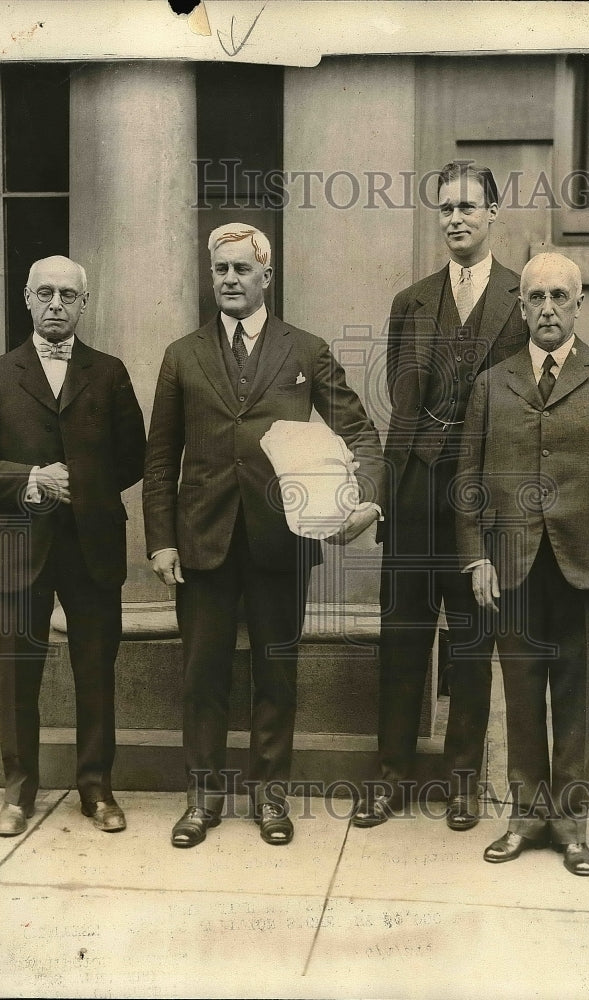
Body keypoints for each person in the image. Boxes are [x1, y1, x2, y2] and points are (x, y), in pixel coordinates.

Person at [143, 223, 385, 848]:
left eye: (240, 270)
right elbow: (160, 459)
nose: (228, 280)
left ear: (266, 277)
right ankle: (203, 799)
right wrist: (161, 540)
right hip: (203, 540)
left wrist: (368, 498)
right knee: (204, 675)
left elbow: (360, 434)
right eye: (219, 269)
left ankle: (270, 796)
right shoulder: (183, 355)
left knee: (276, 674)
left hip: (283, 540)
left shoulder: (304, 350)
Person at [455, 252, 589, 875]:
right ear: (521, 307)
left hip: (586, 561)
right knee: (520, 696)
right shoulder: (492, 383)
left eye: (559, 297)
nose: (547, 308)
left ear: (579, 303)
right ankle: (524, 817)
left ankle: (570, 825)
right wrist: (475, 558)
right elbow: (468, 479)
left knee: (576, 696)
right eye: (535, 297)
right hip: (512, 563)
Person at [353, 161, 528, 830]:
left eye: (467, 206)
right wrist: (385, 495)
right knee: (400, 639)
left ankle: (462, 780)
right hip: (413, 493)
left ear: (491, 214)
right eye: (445, 207)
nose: (455, 217)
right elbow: (403, 406)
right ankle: (390, 773)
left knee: (471, 644)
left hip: (480, 501)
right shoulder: (412, 301)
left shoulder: (521, 297)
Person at [0, 255, 146, 837]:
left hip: (92, 545)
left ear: (84, 304)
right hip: (19, 545)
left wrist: (78, 485)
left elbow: (133, 457)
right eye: (45, 294)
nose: (56, 305)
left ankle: (98, 789)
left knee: (96, 671)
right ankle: (18, 792)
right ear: (28, 301)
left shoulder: (109, 372)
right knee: (18, 675)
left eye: (68, 295)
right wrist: (32, 479)